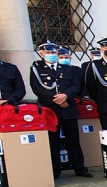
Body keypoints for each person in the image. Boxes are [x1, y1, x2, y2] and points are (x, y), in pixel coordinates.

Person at [30, 41, 92, 179]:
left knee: (73, 141)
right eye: (49, 53)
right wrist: (57, 100)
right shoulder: (37, 69)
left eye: (54, 53)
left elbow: (75, 86)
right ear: (41, 54)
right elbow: (37, 88)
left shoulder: (67, 68)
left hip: (68, 108)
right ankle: (55, 169)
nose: (52, 55)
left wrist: (65, 97)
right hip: (51, 110)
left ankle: (79, 168)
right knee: (53, 142)